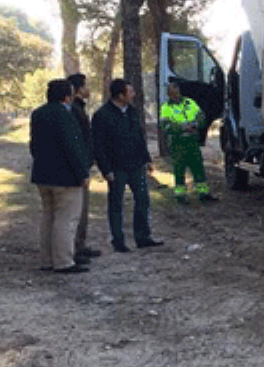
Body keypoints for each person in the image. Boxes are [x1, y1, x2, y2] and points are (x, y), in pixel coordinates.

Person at [92, 79, 164, 252]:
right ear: (120, 95)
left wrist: (146, 159)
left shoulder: (133, 112)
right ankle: (118, 241)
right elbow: (98, 146)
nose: (133, 95)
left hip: (136, 165)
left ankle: (143, 237)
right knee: (116, 204)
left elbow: (139, 137)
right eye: (130, 92)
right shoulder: (102, 115)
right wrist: (106, 169)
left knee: (143, 200)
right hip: (116, 168)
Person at [30, 78, 91, 274]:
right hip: (65, 177)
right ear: (67, 96)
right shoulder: (66, 116)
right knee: (67, 219)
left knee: (48, 217)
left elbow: (33, 144)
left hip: (42, 174)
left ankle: (46, 259)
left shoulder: (38, 114)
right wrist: (82, 173)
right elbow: (72, 147)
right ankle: (64, 260)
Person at [159, 81, 216, 204]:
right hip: (177, 143)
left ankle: (203, 194)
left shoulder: (190, 103)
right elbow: (165, 125)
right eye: (172, 93)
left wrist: (195, 125)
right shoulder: (166, 107)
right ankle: (180, 196)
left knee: (198, 168)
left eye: (176, 91)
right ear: (169, 94)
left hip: (192, 141)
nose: (174, 95)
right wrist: (182, 127)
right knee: (179, 171)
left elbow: (201, 117)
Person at [67, 72, 102, 262]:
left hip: (84, 164)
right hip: (79, 168)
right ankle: (73, 248)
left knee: (82, 209)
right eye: (86, 86)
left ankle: (80, 244)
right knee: (76, 211)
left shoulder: (79, 108)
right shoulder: (74, 110)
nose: (89, 89)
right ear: (79, 90)